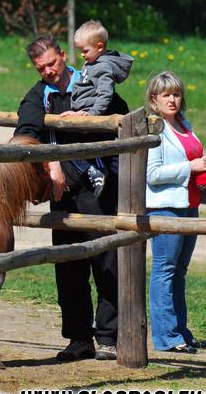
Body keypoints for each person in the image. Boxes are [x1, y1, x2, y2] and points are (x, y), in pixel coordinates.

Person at [15, 34, 128, 362]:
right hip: (62, 194)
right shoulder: (39, 96)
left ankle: (109, 337)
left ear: (64, 55)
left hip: (100, 188)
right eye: (41, 68)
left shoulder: (93, 80)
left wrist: (87, 120)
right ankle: (79, 339)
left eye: (52, 63)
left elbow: (120, 120)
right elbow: (25, 134)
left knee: (107, 263)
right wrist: (51, 164)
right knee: (69, 267)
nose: (48, 71)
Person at [145, 71, 206, 354]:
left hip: (190, 206)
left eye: (176, 94)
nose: (172, 100)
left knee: (179, 272)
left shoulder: (184, 125)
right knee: (165, 270)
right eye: (166, 95)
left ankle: (181, 331)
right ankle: (166, 337)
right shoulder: (155, 129)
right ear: (154, 100)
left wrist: (203, 160)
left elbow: (190, 155)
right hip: (166, 208)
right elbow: (152, 174)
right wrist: (191, 167)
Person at [60, 20, 133, 197]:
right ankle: (94, 170)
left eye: (85, 51)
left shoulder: (103, 67)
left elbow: (104, 95)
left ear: (99, 47)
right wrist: (76, 111)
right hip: (83, 112)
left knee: (71, 146)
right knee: (68, 145)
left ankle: (97, 169)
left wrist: (92, 114)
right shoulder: (91, 64)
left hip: (91, 115)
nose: (82, 55)